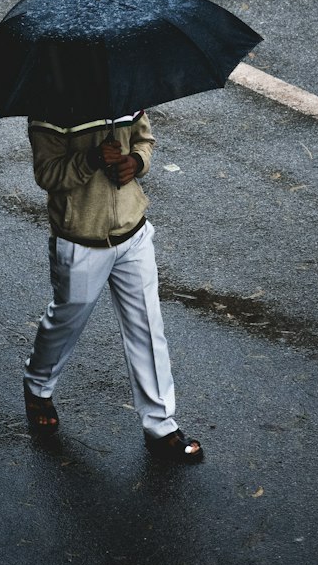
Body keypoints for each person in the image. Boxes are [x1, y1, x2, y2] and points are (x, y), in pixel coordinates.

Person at [21, 108, 203, 463]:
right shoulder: (49, 109)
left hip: (133, 232)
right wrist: (90, 159)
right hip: (80, 239)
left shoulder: (125, 93)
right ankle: (37, 386)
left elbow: (144, 138)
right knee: (67, 320)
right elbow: (47, 173)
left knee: (148, 328)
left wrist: (136, 162)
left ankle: (160, 426)